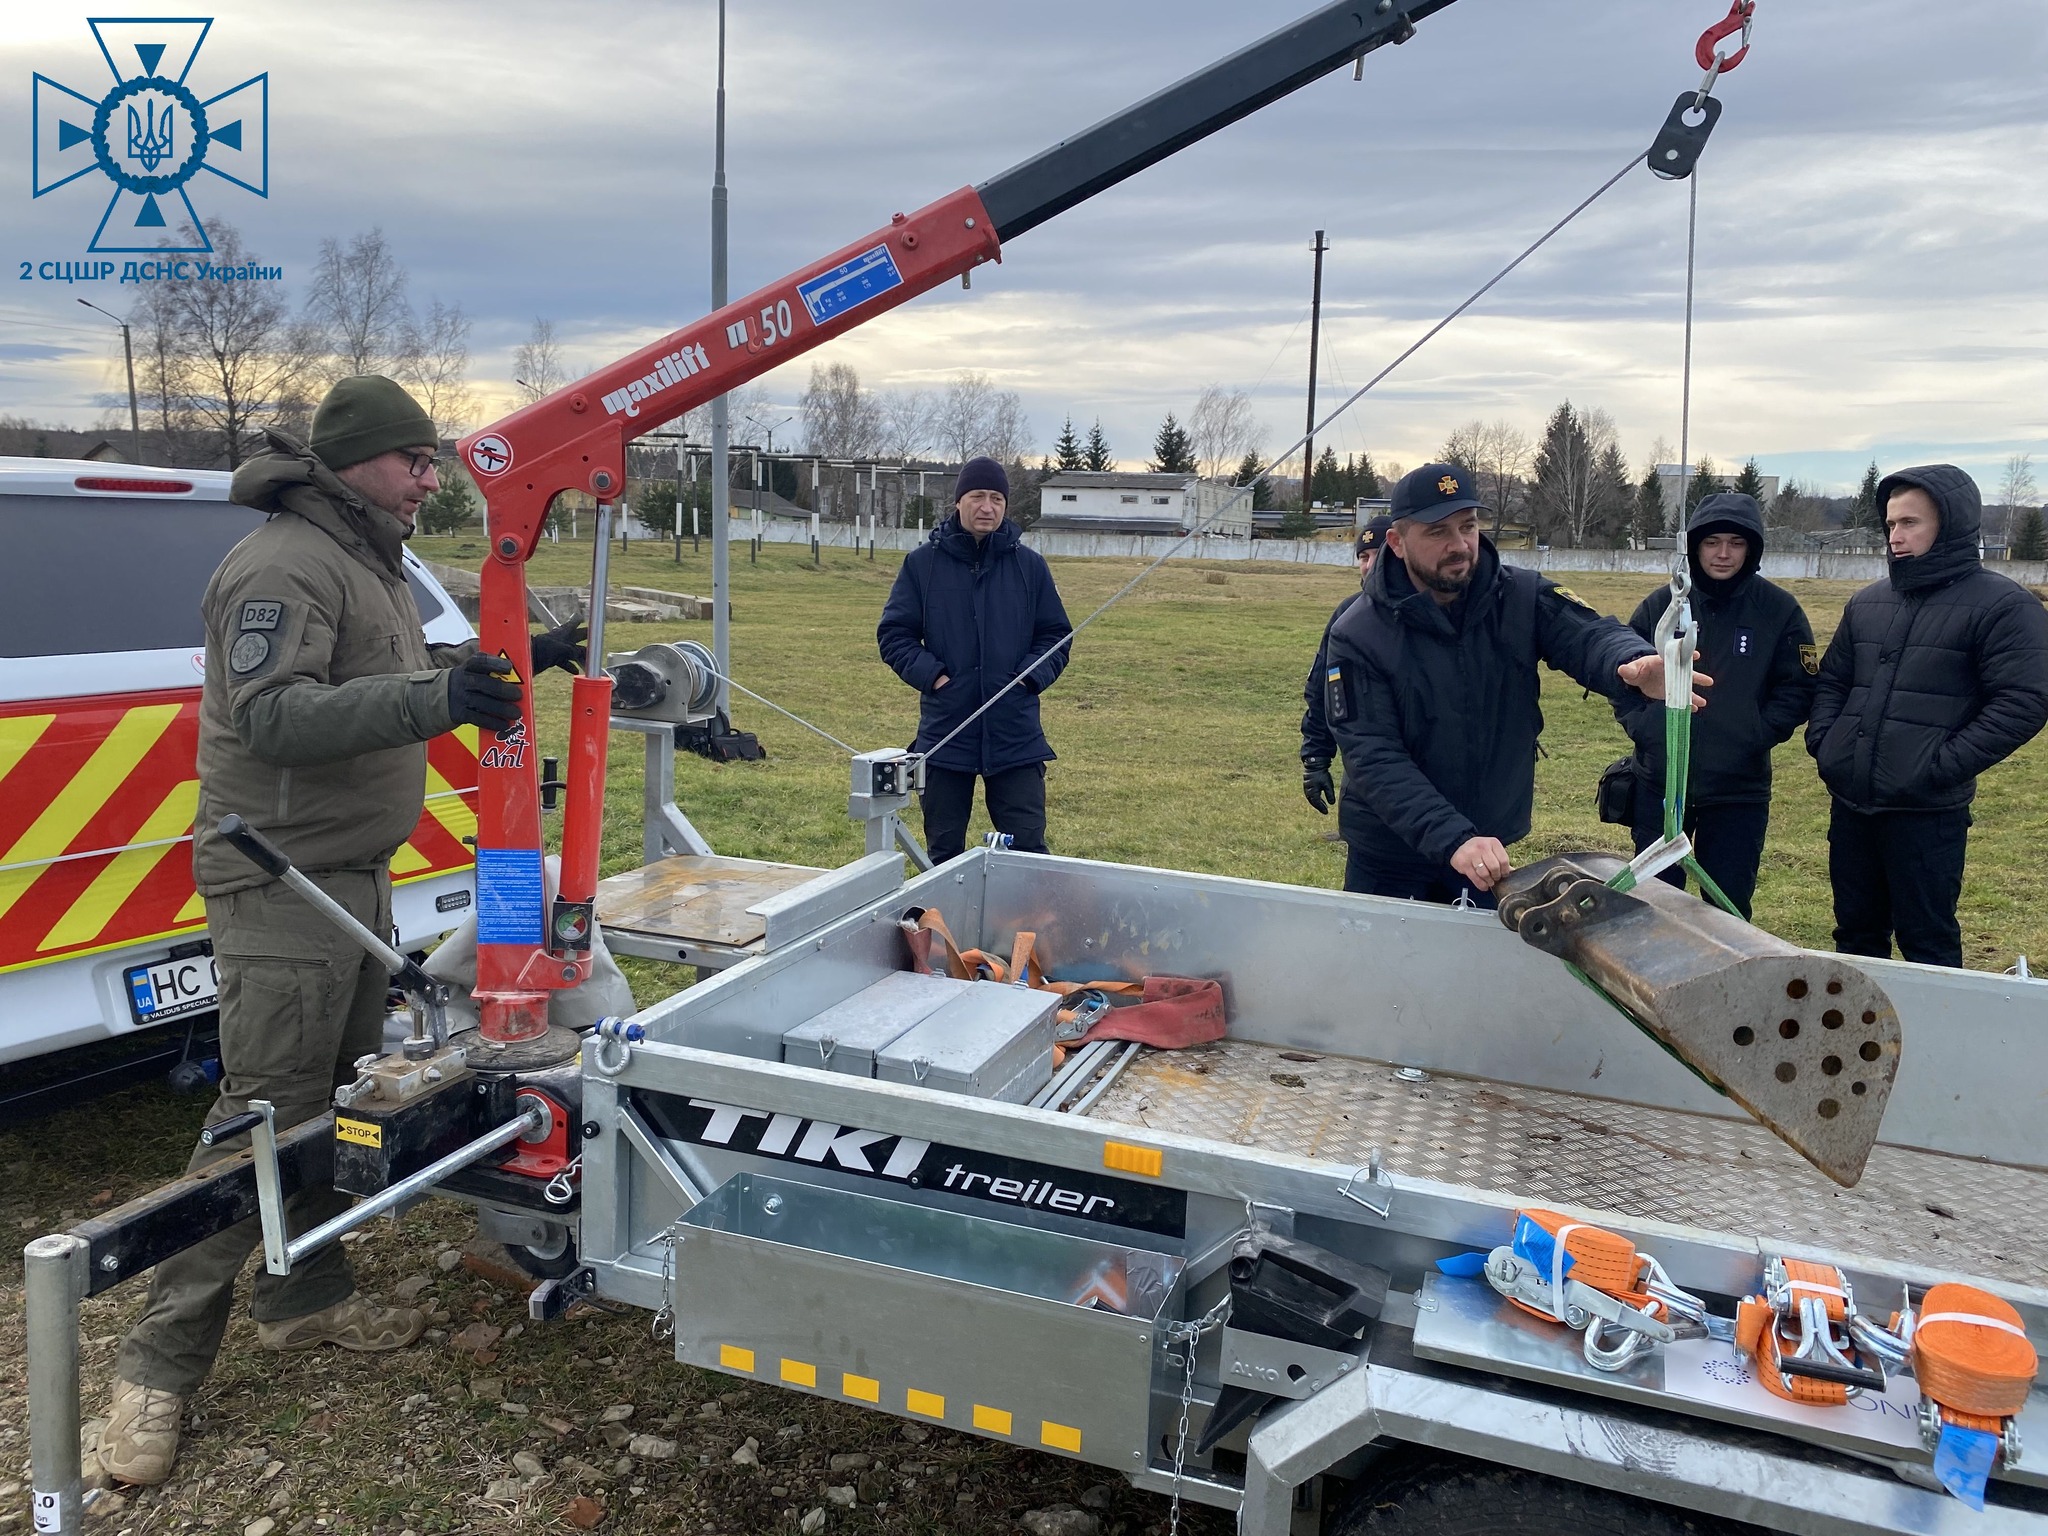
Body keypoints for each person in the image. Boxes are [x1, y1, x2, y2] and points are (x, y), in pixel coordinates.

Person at [99, 377, 586, 1486]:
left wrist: (519, 663)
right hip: (283, 880)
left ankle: (302, 1297)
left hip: (349, 875)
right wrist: (438, 704)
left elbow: (384, 680)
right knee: (262, 1119)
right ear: (357, 462)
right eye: (416, 461)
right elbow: (273, 716)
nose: (430, 479)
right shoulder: (282, 564)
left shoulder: (364, 557)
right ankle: (153, 1372)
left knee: (336, 1099)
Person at [1323, 463, 1703, 904]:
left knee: (1482, 970)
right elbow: (1374, 756)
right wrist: (1453, 838)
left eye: (1467, 526)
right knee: (1382, 969)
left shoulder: (1520, 595)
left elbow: (1587, 633)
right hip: (1389, 854)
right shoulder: (1358, 632)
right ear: (1397, 541)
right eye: (1437, 532)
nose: (1459, 545)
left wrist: (1633, 663)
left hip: (1487, 848)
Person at [1806, 464, 2048, 967]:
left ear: (1951, 523)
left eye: (1910, 522)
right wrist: (1827, 744)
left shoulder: (2004, 606)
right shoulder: (1868, 602)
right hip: (1852, 806)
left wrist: (1936, 767)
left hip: (1926, 815)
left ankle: (1936, 1045)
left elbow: (2022, 702)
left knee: (1928, 942)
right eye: (1891, 524)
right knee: (1855, 938)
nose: (1896, 535)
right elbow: (1832, 681)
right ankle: (1856, 1044)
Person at [1612, 492, 1817, 918]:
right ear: (1695, 547)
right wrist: (1650, 730)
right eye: (1712, 542)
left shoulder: (1779, 610)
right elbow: (1623, 677)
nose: (1723, 554)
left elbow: (1799, 688)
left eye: (1736, 543)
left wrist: (1754, 732)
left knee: (1727, 908)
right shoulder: (1662, 607)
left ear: (1752, 548)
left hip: (1738, 791)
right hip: (1661, 785)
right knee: (1654, 906)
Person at [877, 455, 1073, 862]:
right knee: (943, 853)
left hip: (1015, 735)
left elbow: (1056, 636)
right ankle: (945, 925)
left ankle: (1023, 927)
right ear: (958, 502)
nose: (988, 507)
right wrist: (936, 678)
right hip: (947, 733)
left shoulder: (1029, 567)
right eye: (978, 496)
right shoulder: (922, 565)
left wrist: (1026, 679)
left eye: (997, 498)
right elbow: (895, 635)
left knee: (1028, 853)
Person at [1301, 516, 1393, 815]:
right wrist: (1316, 759)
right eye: (1363, 557)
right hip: (1366, 775)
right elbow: (1323, 690)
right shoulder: (1348, 614)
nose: (1369, 565)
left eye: (1378, 555)